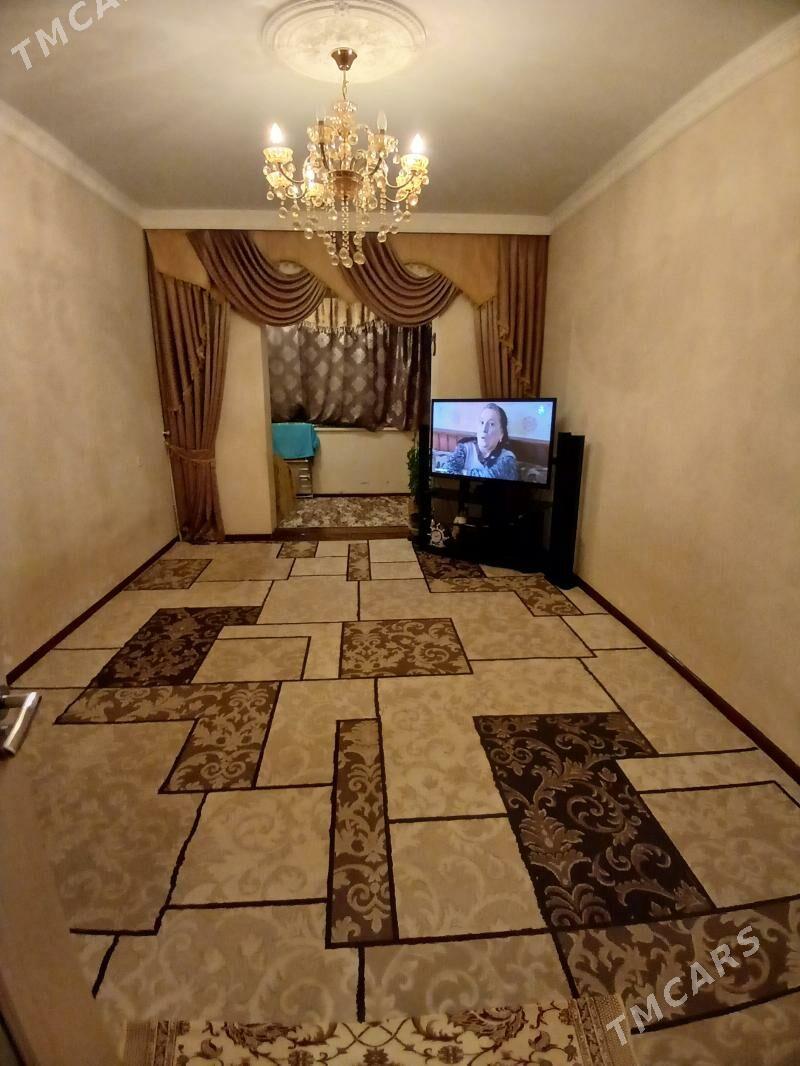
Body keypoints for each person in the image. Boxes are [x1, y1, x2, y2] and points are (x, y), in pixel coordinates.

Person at [443, 403, 519, 480]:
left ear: (501, 434)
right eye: (482, 422)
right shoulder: (464, 448)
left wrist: (464, 472)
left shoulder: (507, 458)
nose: (484, 429)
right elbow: (449, 472)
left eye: (491, 424)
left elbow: (490, 478)